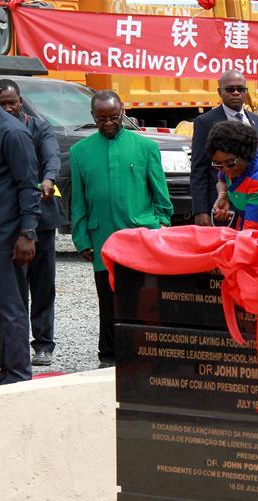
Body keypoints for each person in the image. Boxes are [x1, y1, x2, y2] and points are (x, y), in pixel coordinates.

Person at [71, 90, 173, 367]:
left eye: (113, 117)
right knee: (108, 300)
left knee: (143, 297)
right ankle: (109, 355)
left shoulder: (146, 148)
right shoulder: (79, 152)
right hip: (102, 237)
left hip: (140, 235)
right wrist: (81, 238)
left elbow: (161, 196)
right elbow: (78, 201)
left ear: (123, 112)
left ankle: (145, 352)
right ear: (93, 116)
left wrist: (161, 225)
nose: (107, 123)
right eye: (101, 118)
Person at [0, 78, 65, 367]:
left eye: (12, 103)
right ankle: (13, 351)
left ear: (20, 101)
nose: (8, 108)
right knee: (13, 292)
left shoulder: (37, 128)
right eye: (3, 104)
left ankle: (43, 344)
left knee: (41, 285)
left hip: (40, 219)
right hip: (11, 222)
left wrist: (48, 179)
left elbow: (51, 159)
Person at [0, 71, 40, 385]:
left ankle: (17, 373)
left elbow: (28, 186)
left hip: (4, 236)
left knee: (9, 307)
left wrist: (27, 233)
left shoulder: (11, 132)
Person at [191, 70, 258, 226]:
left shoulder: (257, 121)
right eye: (230, 89)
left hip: (255, 203)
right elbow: (199, 169)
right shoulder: (205, 122)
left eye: (241, 89)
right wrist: (200, 211)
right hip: (221, 208)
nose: (236, 93)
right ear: (220, 92)